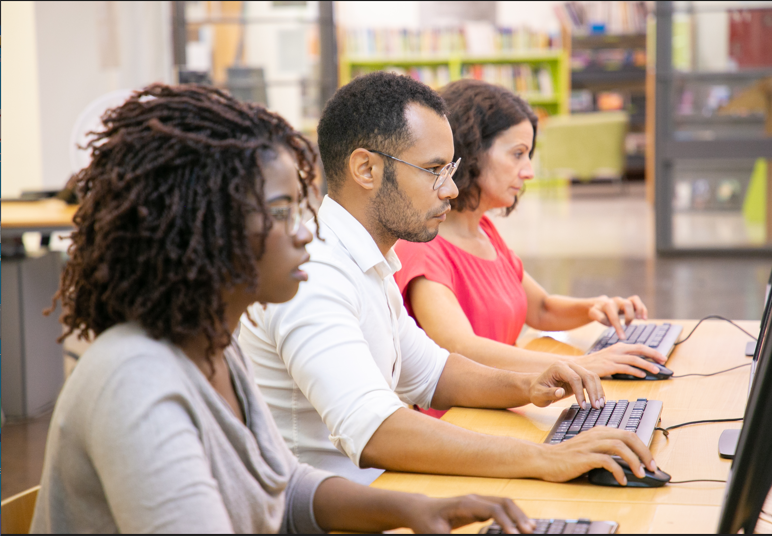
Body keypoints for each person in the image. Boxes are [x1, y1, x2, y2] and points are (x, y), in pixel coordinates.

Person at [31, 83, 535, 534]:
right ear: (206, 226)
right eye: (280, 212)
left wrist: (411, 511)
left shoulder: (214, 350)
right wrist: (540, 457)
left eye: (300, 206)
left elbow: (284, 490)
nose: (303, 231)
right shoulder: (136, 383)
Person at [239, 72, 657, 487]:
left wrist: (530, 384)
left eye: (450, 168)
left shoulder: (368, 259)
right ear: (365, 169)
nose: (452, 190)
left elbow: (433, 374)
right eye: (433, 169)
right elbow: (374, 432)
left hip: (382, 495)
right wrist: (544, 458)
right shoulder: (315, 276)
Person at [394, 80, 666, 419]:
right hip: (462, 422)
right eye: (517, 154)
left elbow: (542, 309)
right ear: (473, 151)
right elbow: (461, 348)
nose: (529, 172)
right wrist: (583, 363)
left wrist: (597, 306)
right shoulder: (423, 246)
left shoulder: (484, 231)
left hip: (506, 406)